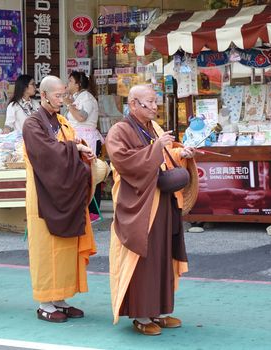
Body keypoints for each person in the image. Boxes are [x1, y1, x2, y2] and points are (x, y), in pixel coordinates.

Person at [105, 85, 197, 336]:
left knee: (162, 256)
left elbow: (166, 157)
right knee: (144, 259)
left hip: (162, 201)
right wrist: (157, 148)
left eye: (155, 102)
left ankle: (159, 310)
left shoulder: (153, 128)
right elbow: (124, 161)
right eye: (149, 102)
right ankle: (141, 314)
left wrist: (181, 153)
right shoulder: (119, 130)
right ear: (133, 104)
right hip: (139, 204)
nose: (155, 107)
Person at [22, 75, 97, 323]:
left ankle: (61, 299)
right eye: (58, 95)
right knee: (47, 249)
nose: (63, 100)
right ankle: (45, 301)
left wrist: (81, 146)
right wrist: (73, 149)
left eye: (65, 94)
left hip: (65, 193)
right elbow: (46, 153)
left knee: (65, 249)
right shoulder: (32, 124)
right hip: (44, 194)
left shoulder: (63, 120)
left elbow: (71, 142)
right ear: (43, 95)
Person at [63, 71, 104, 222]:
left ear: (78, 84)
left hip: (87, 138)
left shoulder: (86, 97)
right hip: (78, 138)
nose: (67, 83)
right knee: (82, 172)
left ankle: (93, 210)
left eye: (70, 81)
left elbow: (81, 117)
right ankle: (84, 208)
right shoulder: (76, 97)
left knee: (91, 172)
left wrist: (68, 104)